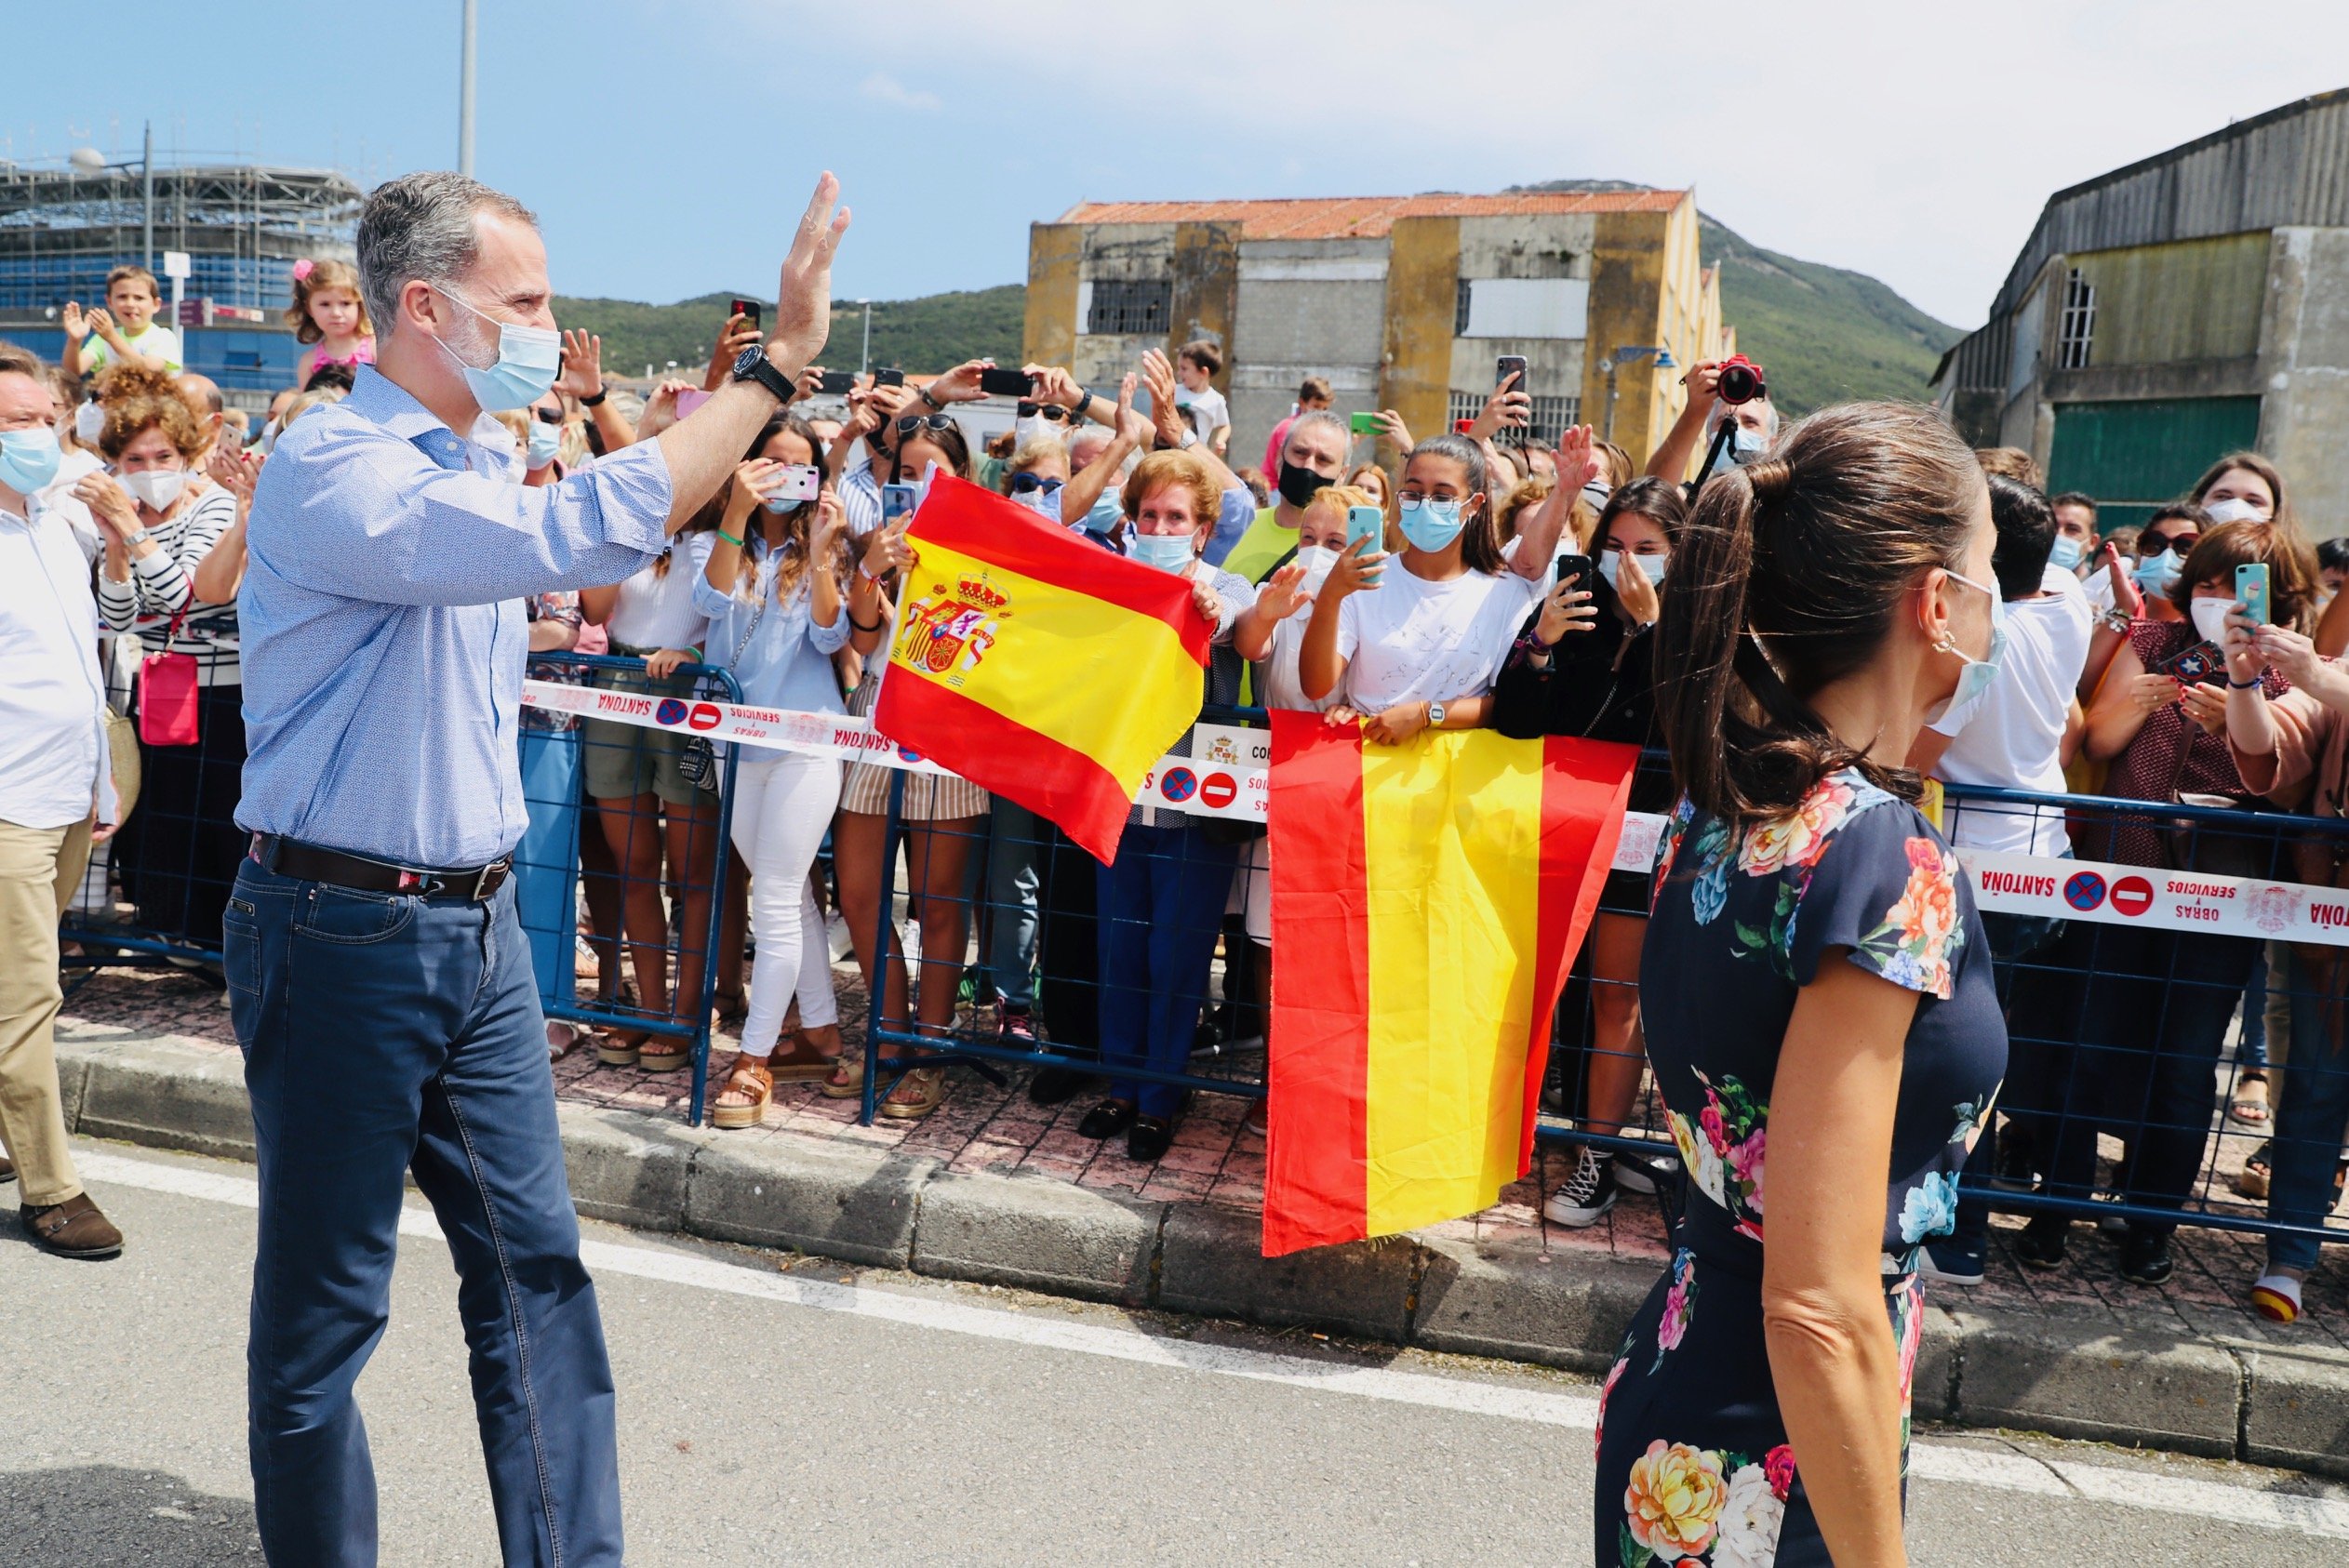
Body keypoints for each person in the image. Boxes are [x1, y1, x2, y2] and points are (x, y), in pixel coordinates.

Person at [227, 166, 848, 1565]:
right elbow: (583, 530)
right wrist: (768, 374)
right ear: (427, 308)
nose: (550, 324)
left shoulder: (478, 456)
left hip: (482, 926)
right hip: (339, 928)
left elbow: (613, 542)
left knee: (538, 1279)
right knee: (326, 1315)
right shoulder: (340, 467)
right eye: (526, 298)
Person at [1595, 402, 2005, 1567]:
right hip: (1773, 1455)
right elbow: (1820, 1307)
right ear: (1933, 602)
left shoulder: (1730, 802)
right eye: (1982, 574)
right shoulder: (1881, 852)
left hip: (1693, 1400)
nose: (1994, 606)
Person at [2027, 519, 2317, 1282]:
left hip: (2217, 898)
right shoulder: (2154, 646)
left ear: (2274, 598)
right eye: (2207, 586)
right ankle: (2055, 1205)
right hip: (2118, 881)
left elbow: (2285, 782)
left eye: (2236, 589)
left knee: (2184, 1064)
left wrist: (2239, 708)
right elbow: (2095, 743)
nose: (2216, 601)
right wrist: (2136, 703)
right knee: (2087, 1045)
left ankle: (2151, 1221)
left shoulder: (2285, 676)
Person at [1904, 477, 2093, 1283]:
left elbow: (1912, 755)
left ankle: (1953, 1225)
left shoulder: (1981, 643)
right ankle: (1958, 1225)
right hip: (2040, 863)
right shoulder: (2069, 607)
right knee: (1987, 1048)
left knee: (1945, 1055)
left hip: (1971, 868)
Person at [1491, 478, 1687, 1227]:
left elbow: (1698, 719)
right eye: (1612, 544)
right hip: (1557, 816)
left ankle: (1597, 1163)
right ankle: (1508, 1137)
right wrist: (1537, 644)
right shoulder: (1571, 591)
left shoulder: (1696, 616)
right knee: (1533, 987)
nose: (1624, 562)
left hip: (1642, 824)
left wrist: (1656, 630)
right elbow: (1515, 719)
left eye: (1645, 549)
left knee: (1615, 997)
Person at [1074, 448, 1269, 1161]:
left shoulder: (1229, 586)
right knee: (1120, 950)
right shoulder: (1111, 584)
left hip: (1195, 811)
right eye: (1149, 513)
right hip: (1119, 804)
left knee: (1177, 957)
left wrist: (1210, 614)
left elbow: (1242, 633)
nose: (1161, 524)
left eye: (1175, 516)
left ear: (1201, 527)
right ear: (1131, 521)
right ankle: (1120, 1086)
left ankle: (1161, 1095)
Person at [826, 405, 991, 1120]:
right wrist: (872, 568)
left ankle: (928, 1045)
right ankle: (887, 1033)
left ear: (961, 477)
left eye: (934, 472)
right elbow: (862, 636)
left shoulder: (987, 544)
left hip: (950, 729)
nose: (918, 483)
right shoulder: (885, 543)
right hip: (876, 715)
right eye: (907, 471)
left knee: (939, 898)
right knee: (859, 891)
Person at [0, 346, 125, 1259]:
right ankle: (51, 1189)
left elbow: (101, 643)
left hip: (72, 790)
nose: (34, 434)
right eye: (12, 422)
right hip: (6, 802)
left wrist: (103, 781)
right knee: (29, 993)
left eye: (41, 417)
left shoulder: (58, 519)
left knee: (15, 989)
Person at [696, 424, 854, 1129]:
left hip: (805, 744)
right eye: (773, 462)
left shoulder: (826, 545)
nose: (786, 475)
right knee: (786, 902)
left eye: (801, 466)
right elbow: (708, 609)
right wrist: (735, 511)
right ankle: (820, 1033)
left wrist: (821, 555)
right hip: (737, 747)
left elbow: (828, 637)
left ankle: (753, 1057)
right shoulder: (723, 536)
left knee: (779, 897)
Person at [77, 377, 246, 949]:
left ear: (186, 454)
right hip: (161, 690)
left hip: (224, 690)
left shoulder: (212, 507)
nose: (150, 467)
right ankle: (178, 932)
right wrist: (120, 551)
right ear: (116, 463)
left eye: (163, 455)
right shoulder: (123, 518)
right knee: (166, 817)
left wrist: (133, 535)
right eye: (135, 458)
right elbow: (119, 615)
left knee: (224, 817)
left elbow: (189, 599)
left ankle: (227, 942)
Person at [2221, 611, 2349, 1322]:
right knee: (2315, 1086)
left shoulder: (2332, 676)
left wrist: (2322, 679)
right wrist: (2244, 680)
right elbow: (2271, 746)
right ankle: (2291, 1255)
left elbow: (2321, 688)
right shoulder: (2333, 674)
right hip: (2330, 927)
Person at [1297, 430, 1585, 736]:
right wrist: (1331, 595)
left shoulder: (1505, 592)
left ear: (1474, 504)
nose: (1425, 505)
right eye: (1414, 492)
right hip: (1367, 764)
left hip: (1456, 774)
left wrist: (1427, 714)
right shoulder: (1363, 581)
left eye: (1443, 496)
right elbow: (1315, 685)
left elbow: (1504, 700)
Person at [577, 482, 719, 1071]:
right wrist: (633, 527)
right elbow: (594, 609)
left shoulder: (721, 534)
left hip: (689, 695)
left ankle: (686, 1016)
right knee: (632, 861)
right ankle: (648, 1011)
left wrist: (695, 654)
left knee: (691, 873)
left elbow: (732, 618)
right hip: (618, 683)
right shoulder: (637, 531)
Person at [1220, 408, 1351, 584]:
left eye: (1323, 459)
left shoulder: (1340, 551)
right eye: (1300, 453)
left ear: (1342, 474)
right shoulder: (1239, 525)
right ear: (1279, 458)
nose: (1309, 466)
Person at [1643, 358, 1777, 486]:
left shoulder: (1785, 505)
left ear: (1772, 444)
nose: (1736, 430)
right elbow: (1653, 493)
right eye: (1725, 422)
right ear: (1709, 441)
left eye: (1750, 422)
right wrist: (1694, 413)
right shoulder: (1691, 499)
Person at [60, 265, 183, 378]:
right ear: (109, 302)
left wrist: (112, 338)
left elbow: (150, 370)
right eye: (122, 297)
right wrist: (74, 341)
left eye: (139, 298)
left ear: (156, 304)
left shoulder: (162, 337)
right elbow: (72, 372)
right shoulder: (103, 339)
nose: (130, 304)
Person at [287, 257, 377, 384]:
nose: (336, 313)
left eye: (345, 303)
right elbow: (307, 403)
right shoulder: (309, 363)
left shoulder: (375, 348)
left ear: (359, 305)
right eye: (325, 304)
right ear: (309, 309)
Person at [1260, 374, 1332, 478]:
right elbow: (1282, 467)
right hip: (1275, 486)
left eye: (1325, 409)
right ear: (1302, 403)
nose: (1321, 412)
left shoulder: (1313, 429)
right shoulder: (1290, 428)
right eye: (1316, 406)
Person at [1173, 338, 1231, 457]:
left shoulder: (1215, 400)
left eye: (1184, 369)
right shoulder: (1174, 392)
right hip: (1171, 451)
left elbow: (1225, 425)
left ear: (1203, 372)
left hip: (1197, 455)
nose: (1179, 373)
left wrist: (1220, 441)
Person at [2050, 490, 2099, 577]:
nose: (2059, 535)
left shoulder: (2101, 589)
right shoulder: (2022, 586)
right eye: (2053, 527)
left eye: (2072, 529)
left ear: (2092, 542)